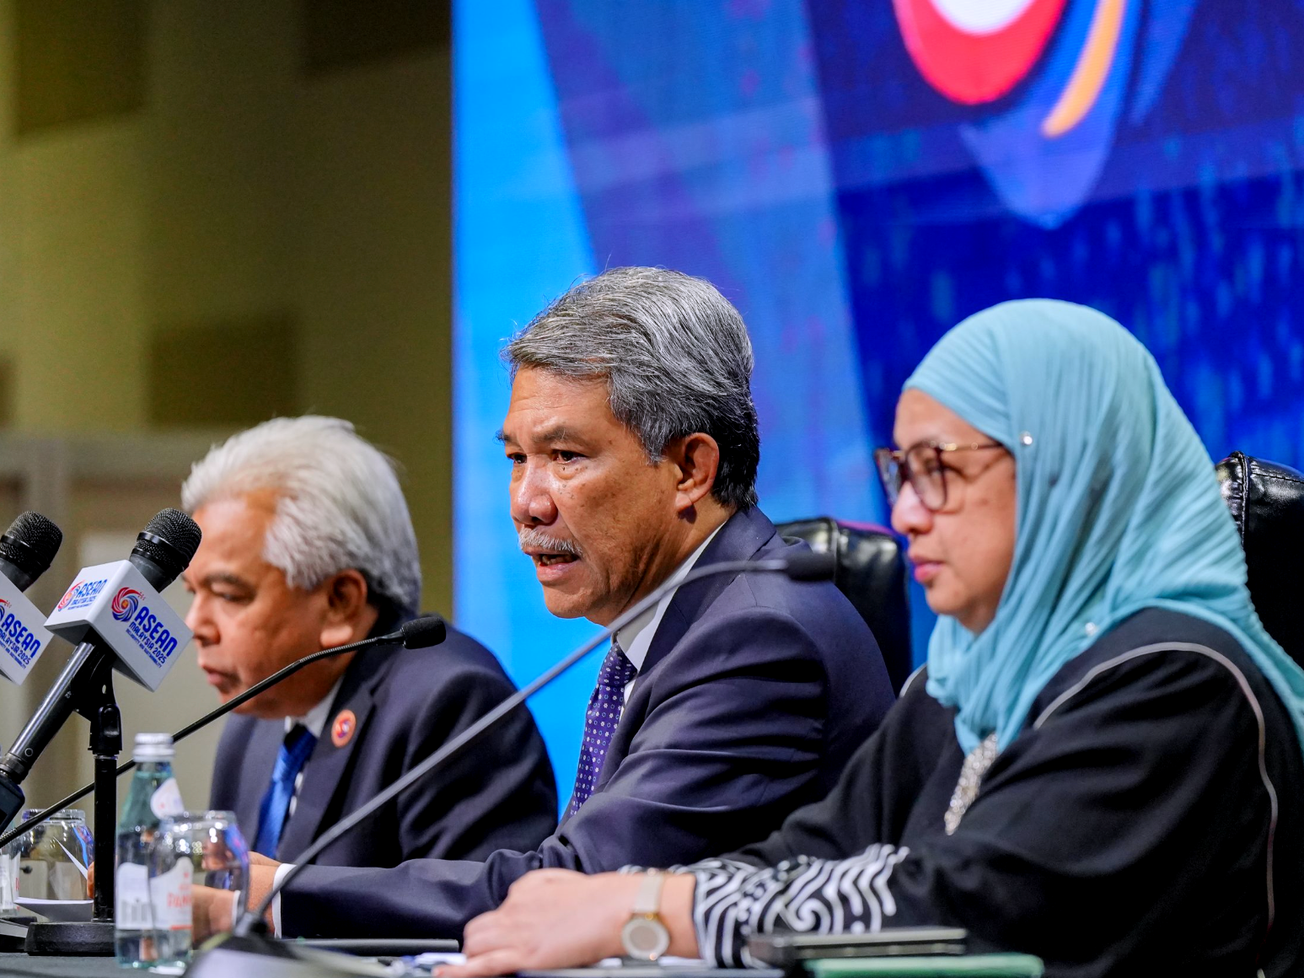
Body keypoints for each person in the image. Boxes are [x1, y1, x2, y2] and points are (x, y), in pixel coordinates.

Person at [441, 300, 1304, 978]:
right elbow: (812, 853)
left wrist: (645, 912)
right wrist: (620, 907)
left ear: (1069, 472)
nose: (906, 514)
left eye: (942, 471)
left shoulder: (1177, 678)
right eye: (902, 472)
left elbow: (966, 905)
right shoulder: (954, 682)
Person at [195, 267, 896, 939]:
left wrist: (284, 895)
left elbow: (578, 888)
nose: (527, 503)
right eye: (516, 459)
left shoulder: (757, 636)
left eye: (566, 456)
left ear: (689, 468)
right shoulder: (683, 621)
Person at [183, 416, 557, 871]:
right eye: (193, 592)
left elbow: (471, 906)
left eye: (228, 595)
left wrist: (280, 897)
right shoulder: (256, 718)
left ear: (339, 602)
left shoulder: (452, 705)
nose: (196, 624)